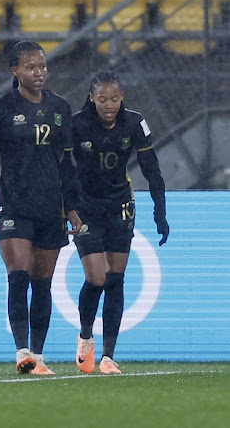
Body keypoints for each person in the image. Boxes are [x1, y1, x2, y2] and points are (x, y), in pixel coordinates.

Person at [0, 40, 82, 375]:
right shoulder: (0, 108)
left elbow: (66, 163)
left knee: (43, 281)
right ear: (15, 70)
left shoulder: (59, 108)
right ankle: (21, 350)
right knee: (19, 275)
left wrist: (72, 208)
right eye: (31, 67)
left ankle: (39, 356)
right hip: (12, 205)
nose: (39, 73)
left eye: (42, 66)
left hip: (50, 207)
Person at [72, 71, 169, 375]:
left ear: (122, 97)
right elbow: (63, 168)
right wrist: (67, 207)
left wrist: (160, 211)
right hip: (87, 208)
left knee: (116, 278)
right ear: (92, 98)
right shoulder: (77, 125)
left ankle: (108, 356)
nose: (109, 105)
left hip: (120, 206)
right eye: (102, 99)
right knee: (97, 277)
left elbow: (151, 168)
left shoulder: (135, 123)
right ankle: (85, 335)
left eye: (114, 99)